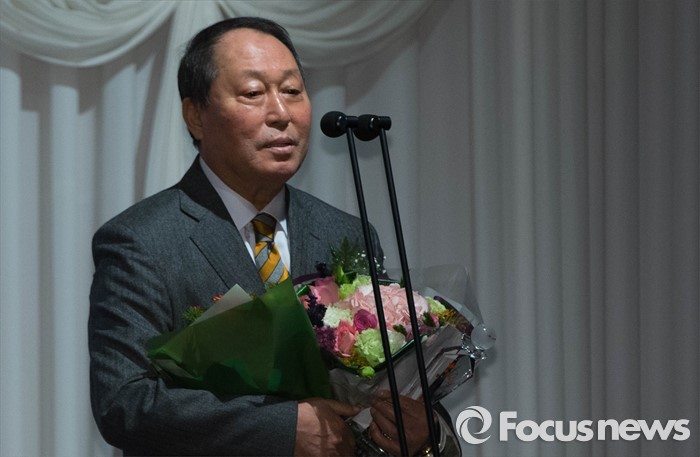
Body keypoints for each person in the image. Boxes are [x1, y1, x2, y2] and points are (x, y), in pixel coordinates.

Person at [88, 17, 441, 456]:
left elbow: (392, 382)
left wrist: (425, 430)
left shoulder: (346, 233)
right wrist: (282, 429)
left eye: (292, 91)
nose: (281, 113)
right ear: (195, 115)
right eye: (254, 94)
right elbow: (124, 403)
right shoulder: (142, 240)